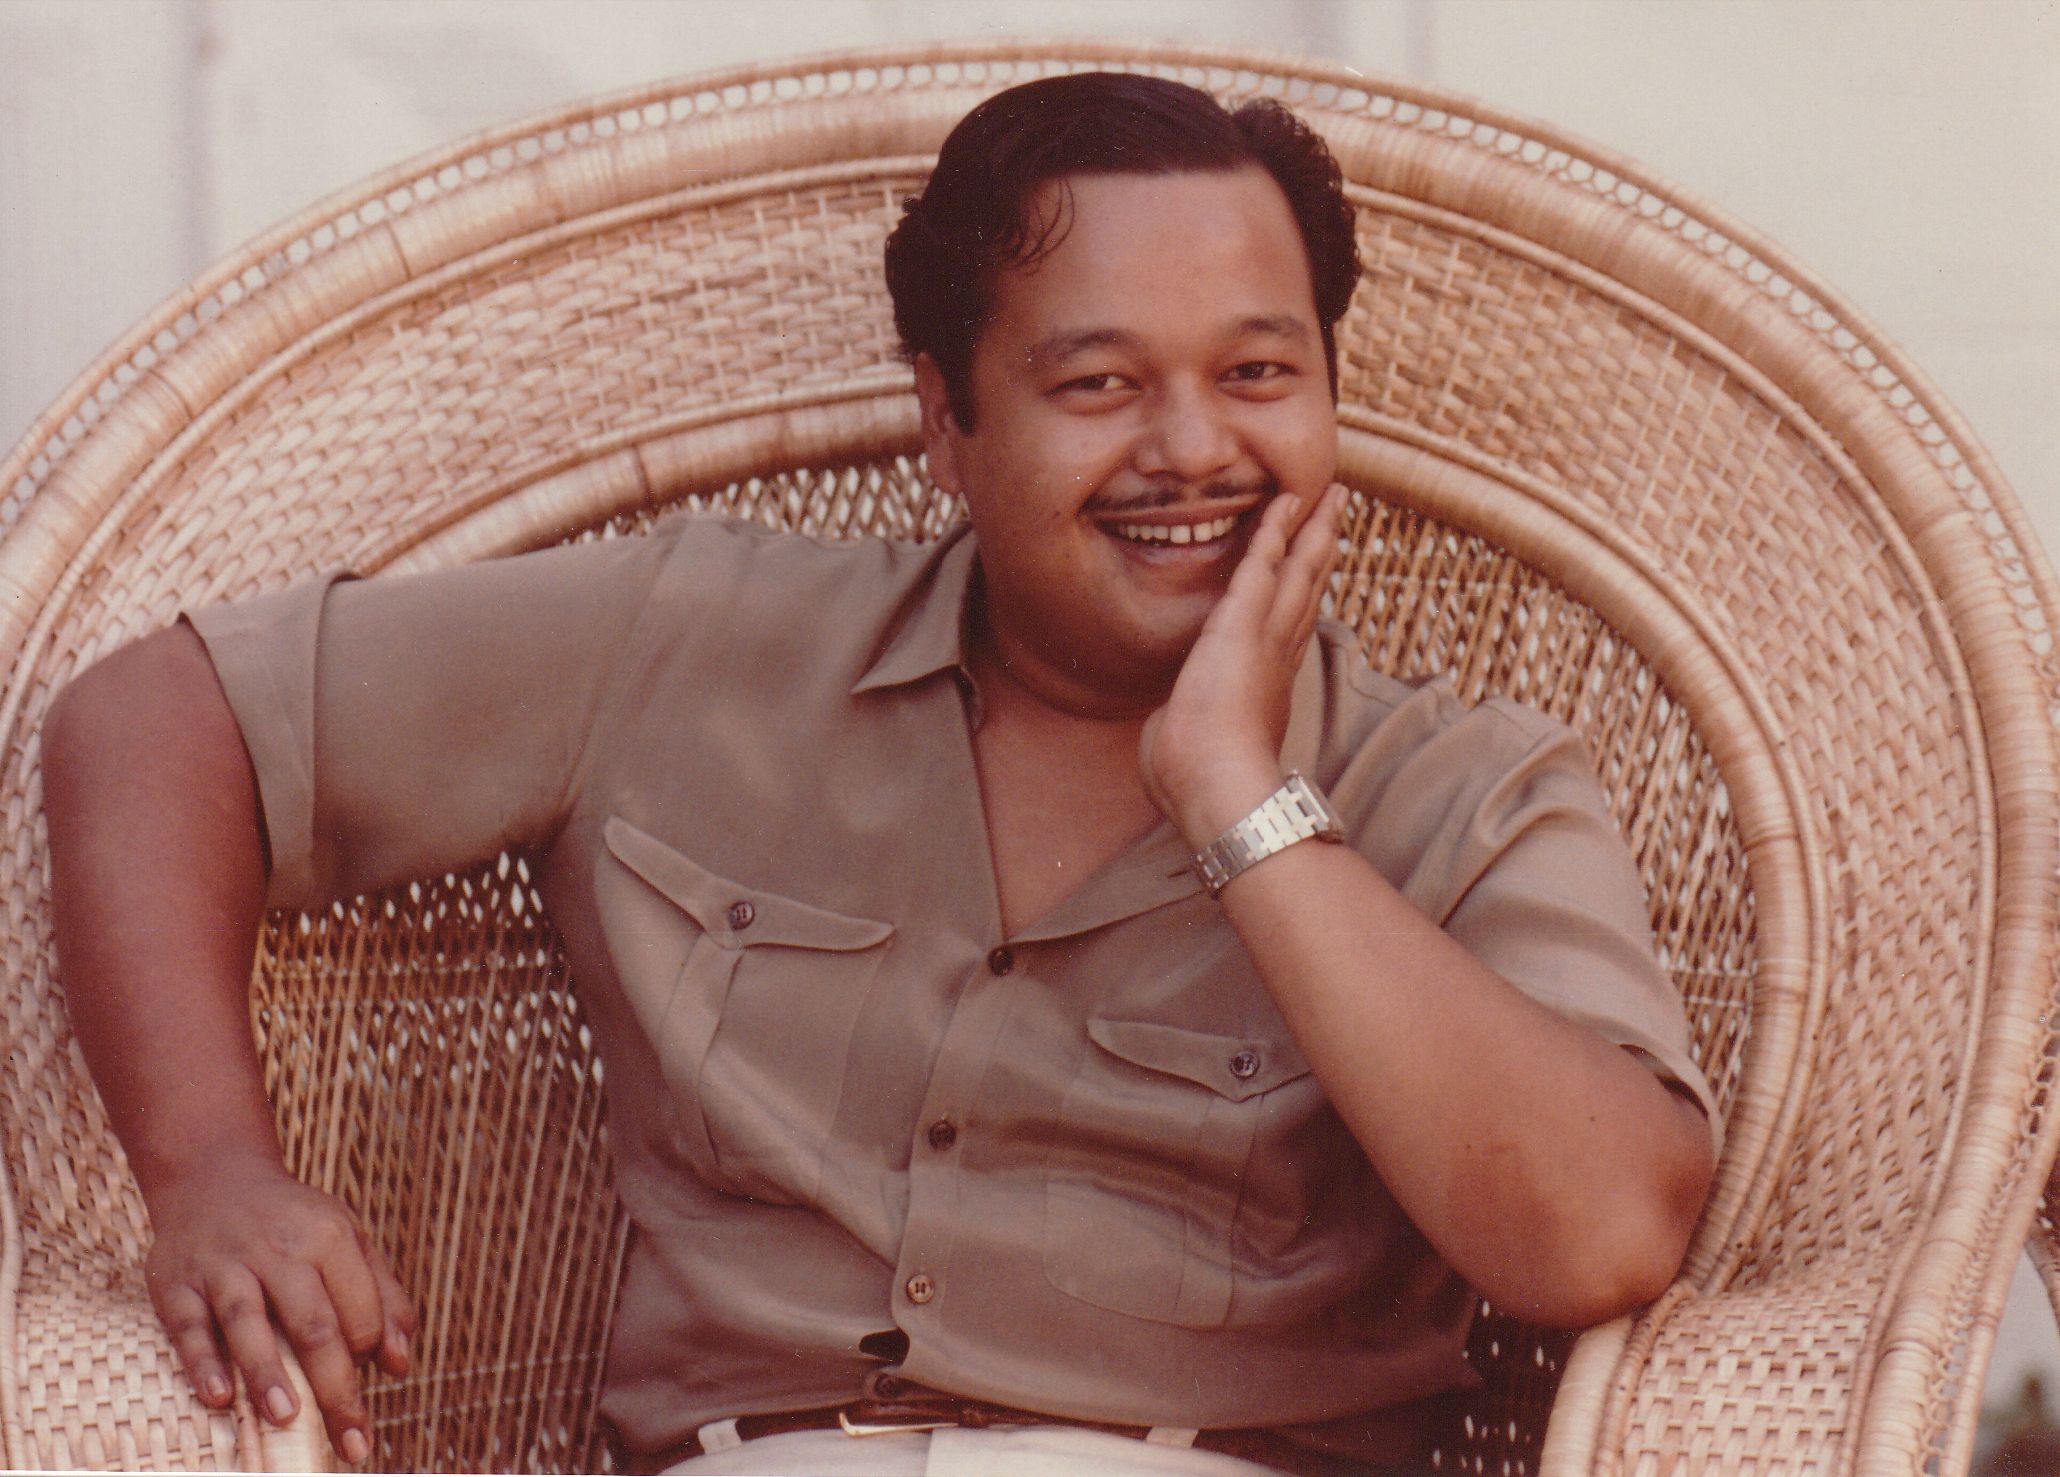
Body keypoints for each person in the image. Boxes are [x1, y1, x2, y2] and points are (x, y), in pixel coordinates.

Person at [42, 72, 1719, 1476]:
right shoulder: (686, 642)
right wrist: (210, 1169)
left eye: (1260, 374)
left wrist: (1241, 800)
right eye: (1100, 384)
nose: (1195, 447)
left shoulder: (1463, 786)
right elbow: (152, 722)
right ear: (946, 421)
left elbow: (1600, 1233)